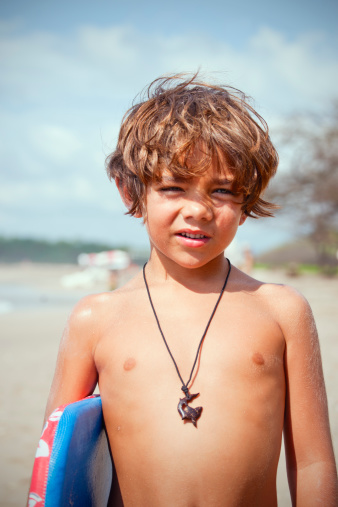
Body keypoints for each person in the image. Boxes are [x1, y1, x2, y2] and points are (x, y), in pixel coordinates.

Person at [44, 74, 338, 506]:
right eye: (173, 187)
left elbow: (313, 462)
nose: (198, 209)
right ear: (133, 192)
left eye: (222, 190)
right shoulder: (96, 318)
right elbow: (58, 463)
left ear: (246, 201)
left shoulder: (281, 310)